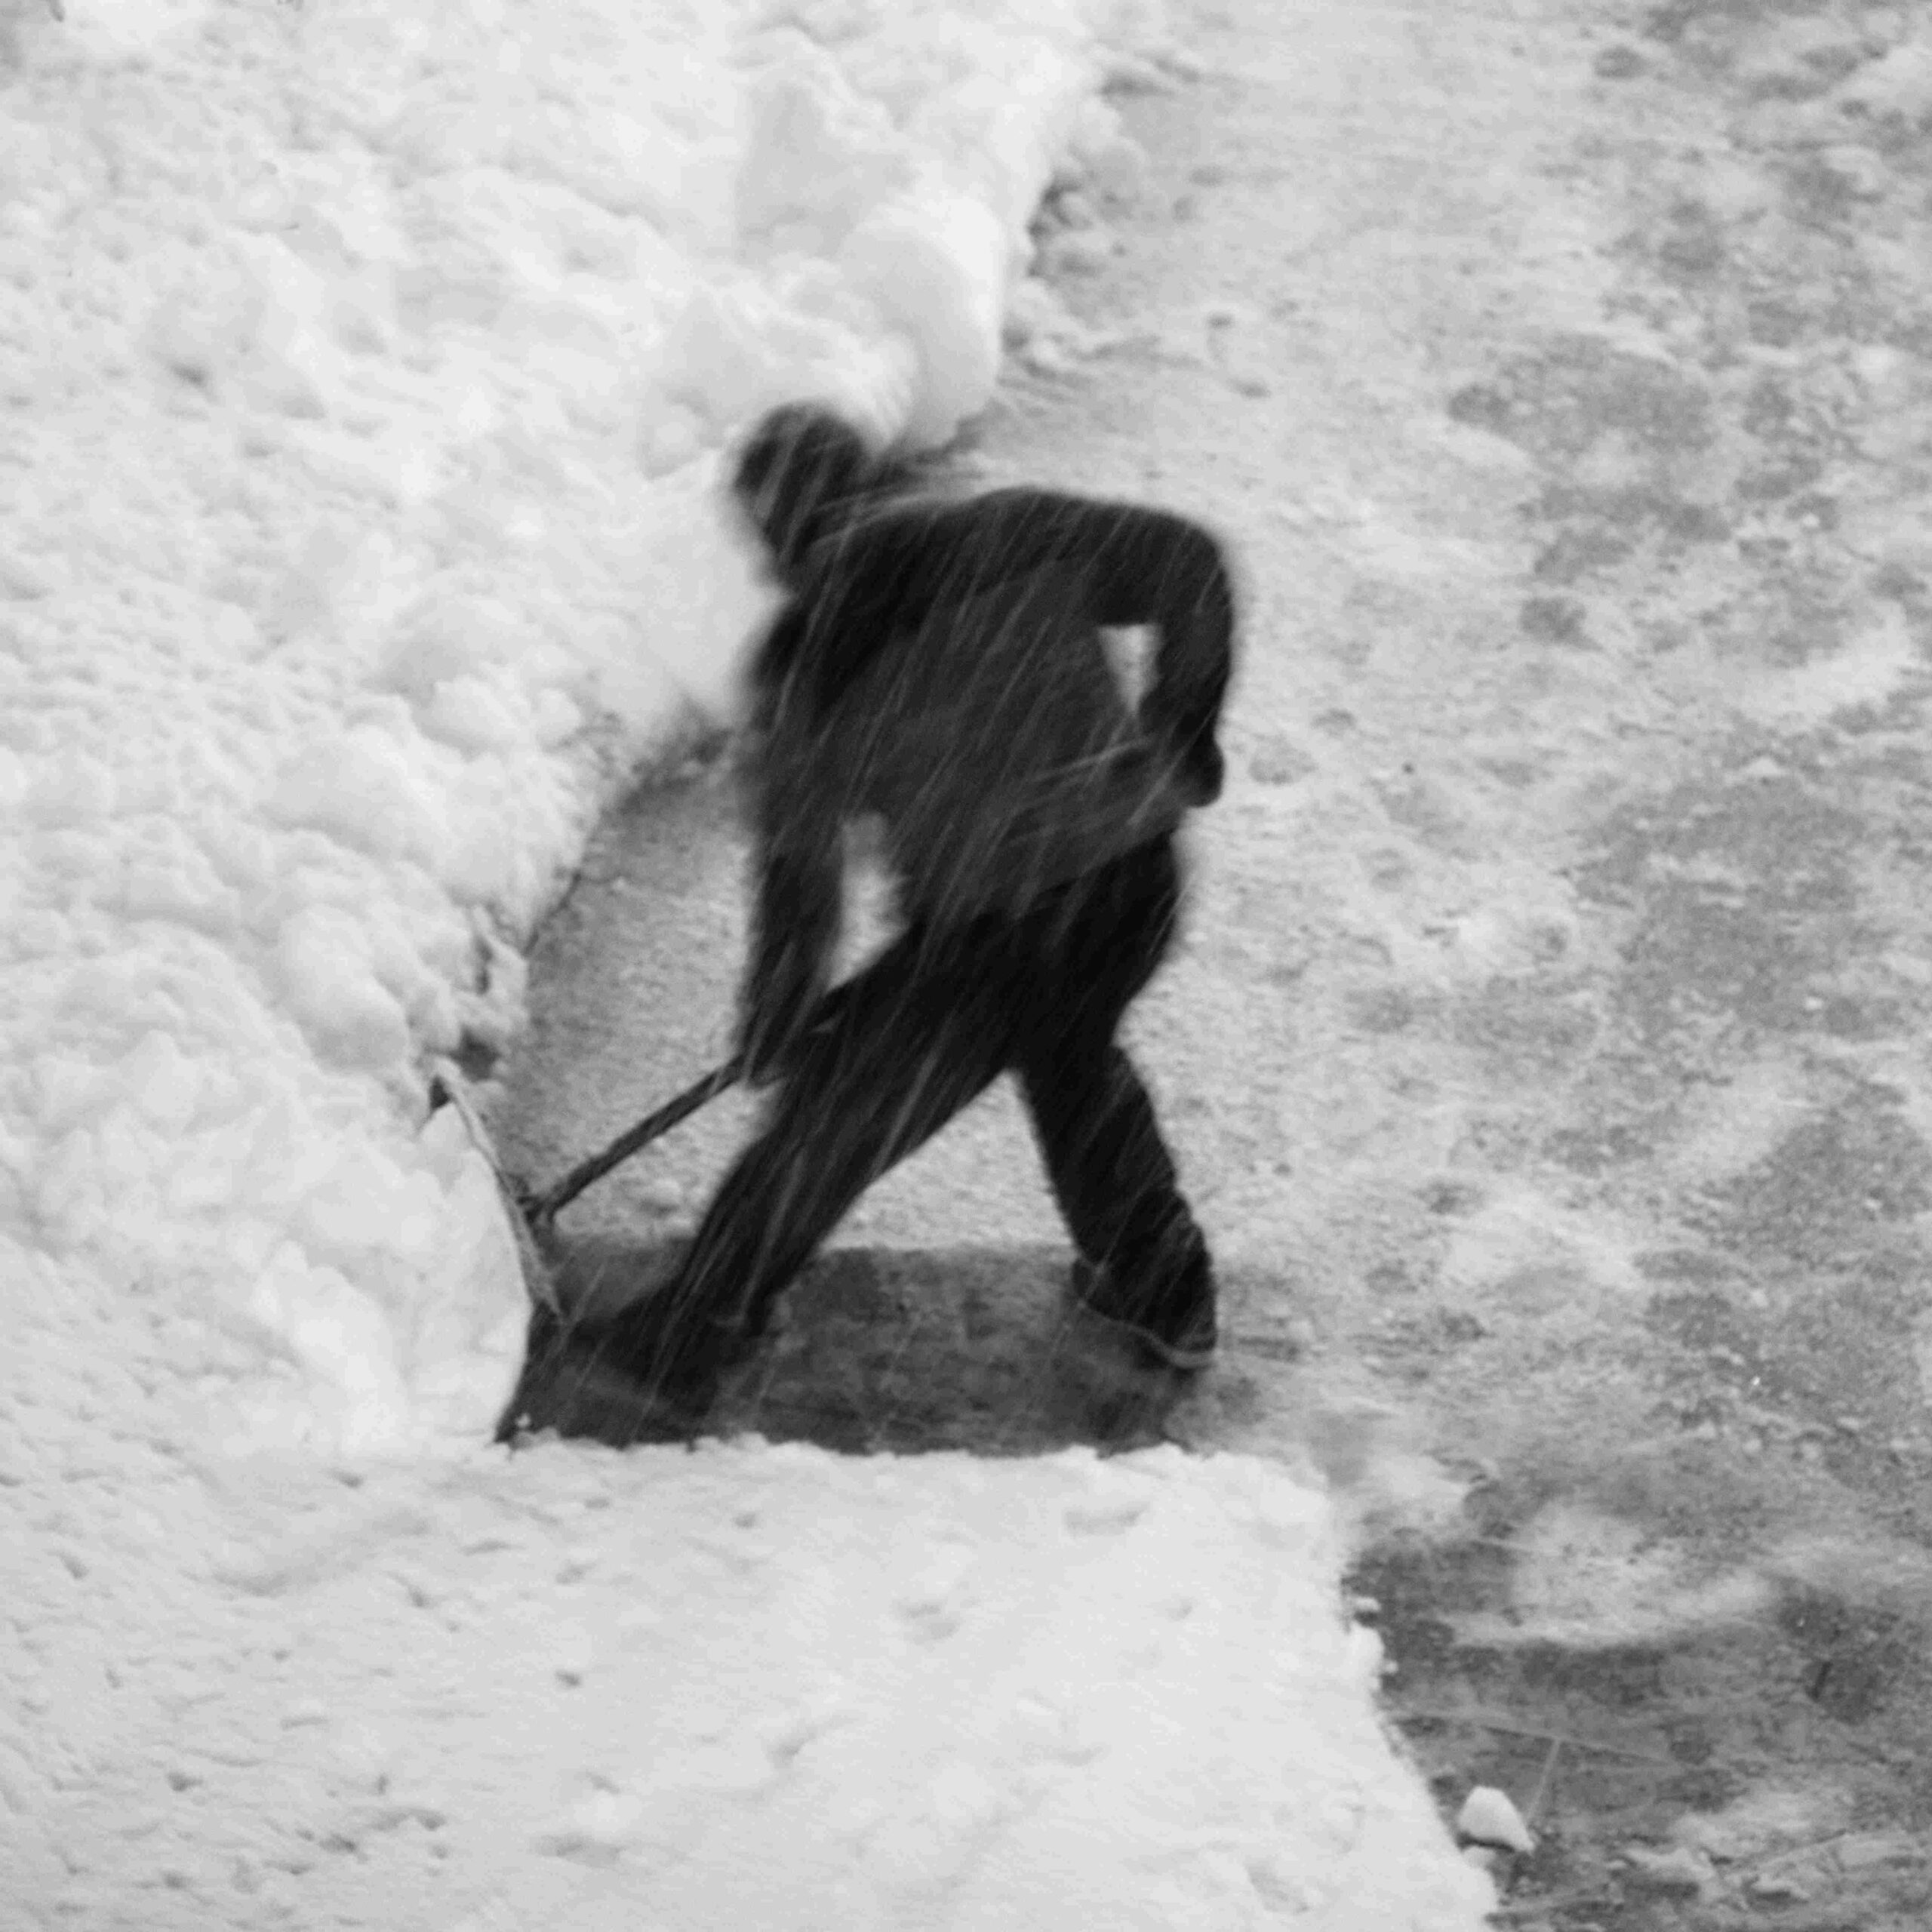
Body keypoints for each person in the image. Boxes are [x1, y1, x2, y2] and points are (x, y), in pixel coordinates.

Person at [599, 402, 1238, 1423]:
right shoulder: (1010, 530)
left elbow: (800, 877)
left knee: (842, 1106)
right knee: (1068, 1054)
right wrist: (1185, 725)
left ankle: (691, 1331)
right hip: (1128, 888)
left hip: (1000, 931)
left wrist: (784, 1013)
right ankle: (1165, 1291)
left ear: (774, 540)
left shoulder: (808, 660)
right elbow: (1191, 564)